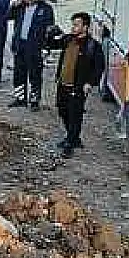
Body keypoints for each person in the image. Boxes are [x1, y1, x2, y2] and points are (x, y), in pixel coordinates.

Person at [45, 13, 106, 157]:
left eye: (76, 25)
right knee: (62, 110)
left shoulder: (93, 46)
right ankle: (73, 138)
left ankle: (70, 143)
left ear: (85, 27)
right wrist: (49, 34)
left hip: (78, 86)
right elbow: (53, 45)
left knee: (75, 114)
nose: (73, 27)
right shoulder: (68, 39)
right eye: (73, 24)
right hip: (63, 83)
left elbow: (99, 67)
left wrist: (90, 83)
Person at [8, 0, 56, 111]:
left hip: (35, 47)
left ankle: (34, 101)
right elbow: (7, 17)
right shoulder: (20, 7)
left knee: (35, 75)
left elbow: (50, 30)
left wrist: (46, 48)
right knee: (18, 74)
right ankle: (20, 98)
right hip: (20, 45)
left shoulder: (45, 9)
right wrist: (14, 5)